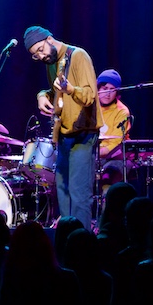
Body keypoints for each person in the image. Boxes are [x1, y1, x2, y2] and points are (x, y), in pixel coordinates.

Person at [24, 25, 102, 230]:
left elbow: (89, 96)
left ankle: (82, 244)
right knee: (63, 191)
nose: (40, 56)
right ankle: (67, 239)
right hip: (64, 133)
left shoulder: (78, 56)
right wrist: (42, 95)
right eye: (35, 55)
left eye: (40, 50)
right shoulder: (51, 63)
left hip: (84, 133)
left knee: (79, 193)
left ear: (49, 39)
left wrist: (70, 88)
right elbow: (53, 91)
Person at [96, 69, 132, 191]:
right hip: (93, 155)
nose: (108, 93)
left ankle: (108, 207)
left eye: (113, 89)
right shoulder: (89, 106)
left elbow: (115, 145)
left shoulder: (122, 111)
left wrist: (91, 153)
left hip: (116, 157)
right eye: (105, 88)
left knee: (108, 178)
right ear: (98, 89)